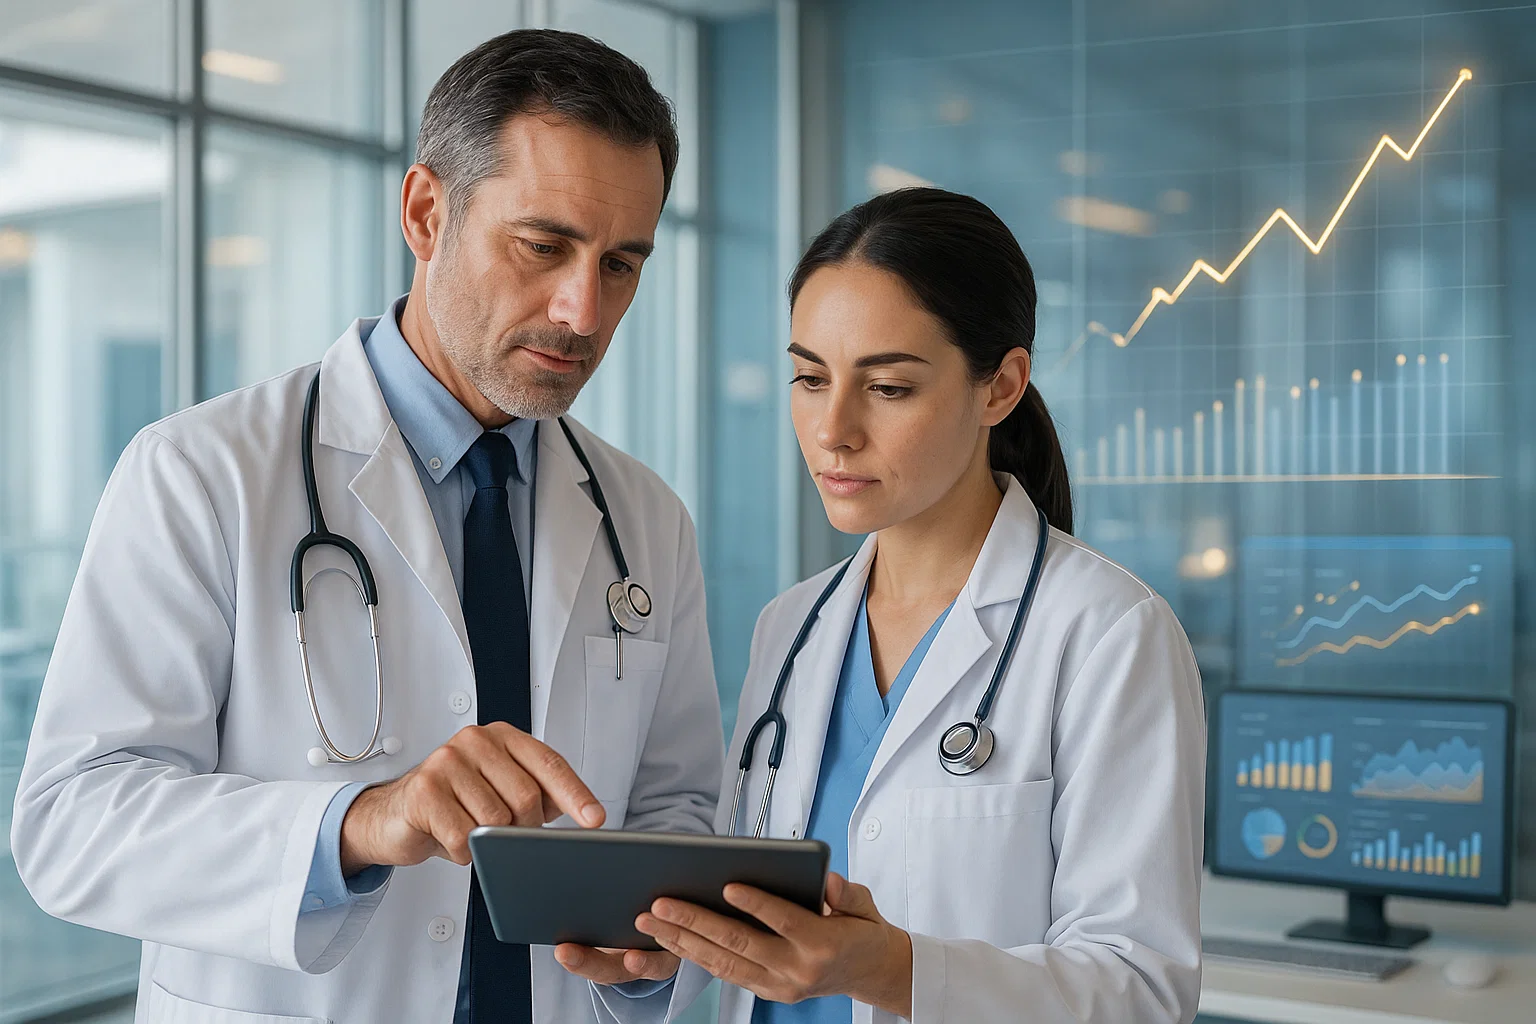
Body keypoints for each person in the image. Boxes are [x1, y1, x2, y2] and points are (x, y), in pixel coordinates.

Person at [11, 30, 717, 1024]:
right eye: (543, 245)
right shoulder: (204, 474)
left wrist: (654, 947)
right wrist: (361, 822)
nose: (582, 309)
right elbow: (71, 825)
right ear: (427, 213)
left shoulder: (645, 518)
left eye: (623, 263)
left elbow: (677, 805)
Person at [630, 188, 1206, 1022]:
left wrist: (897, 970)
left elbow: (1142, 992)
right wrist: (654, 953)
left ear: (999, 388)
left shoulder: (1109, 635)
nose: (833, 429)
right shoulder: (791, 628)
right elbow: (750, 936)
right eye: (808, 377)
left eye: (888, 387)